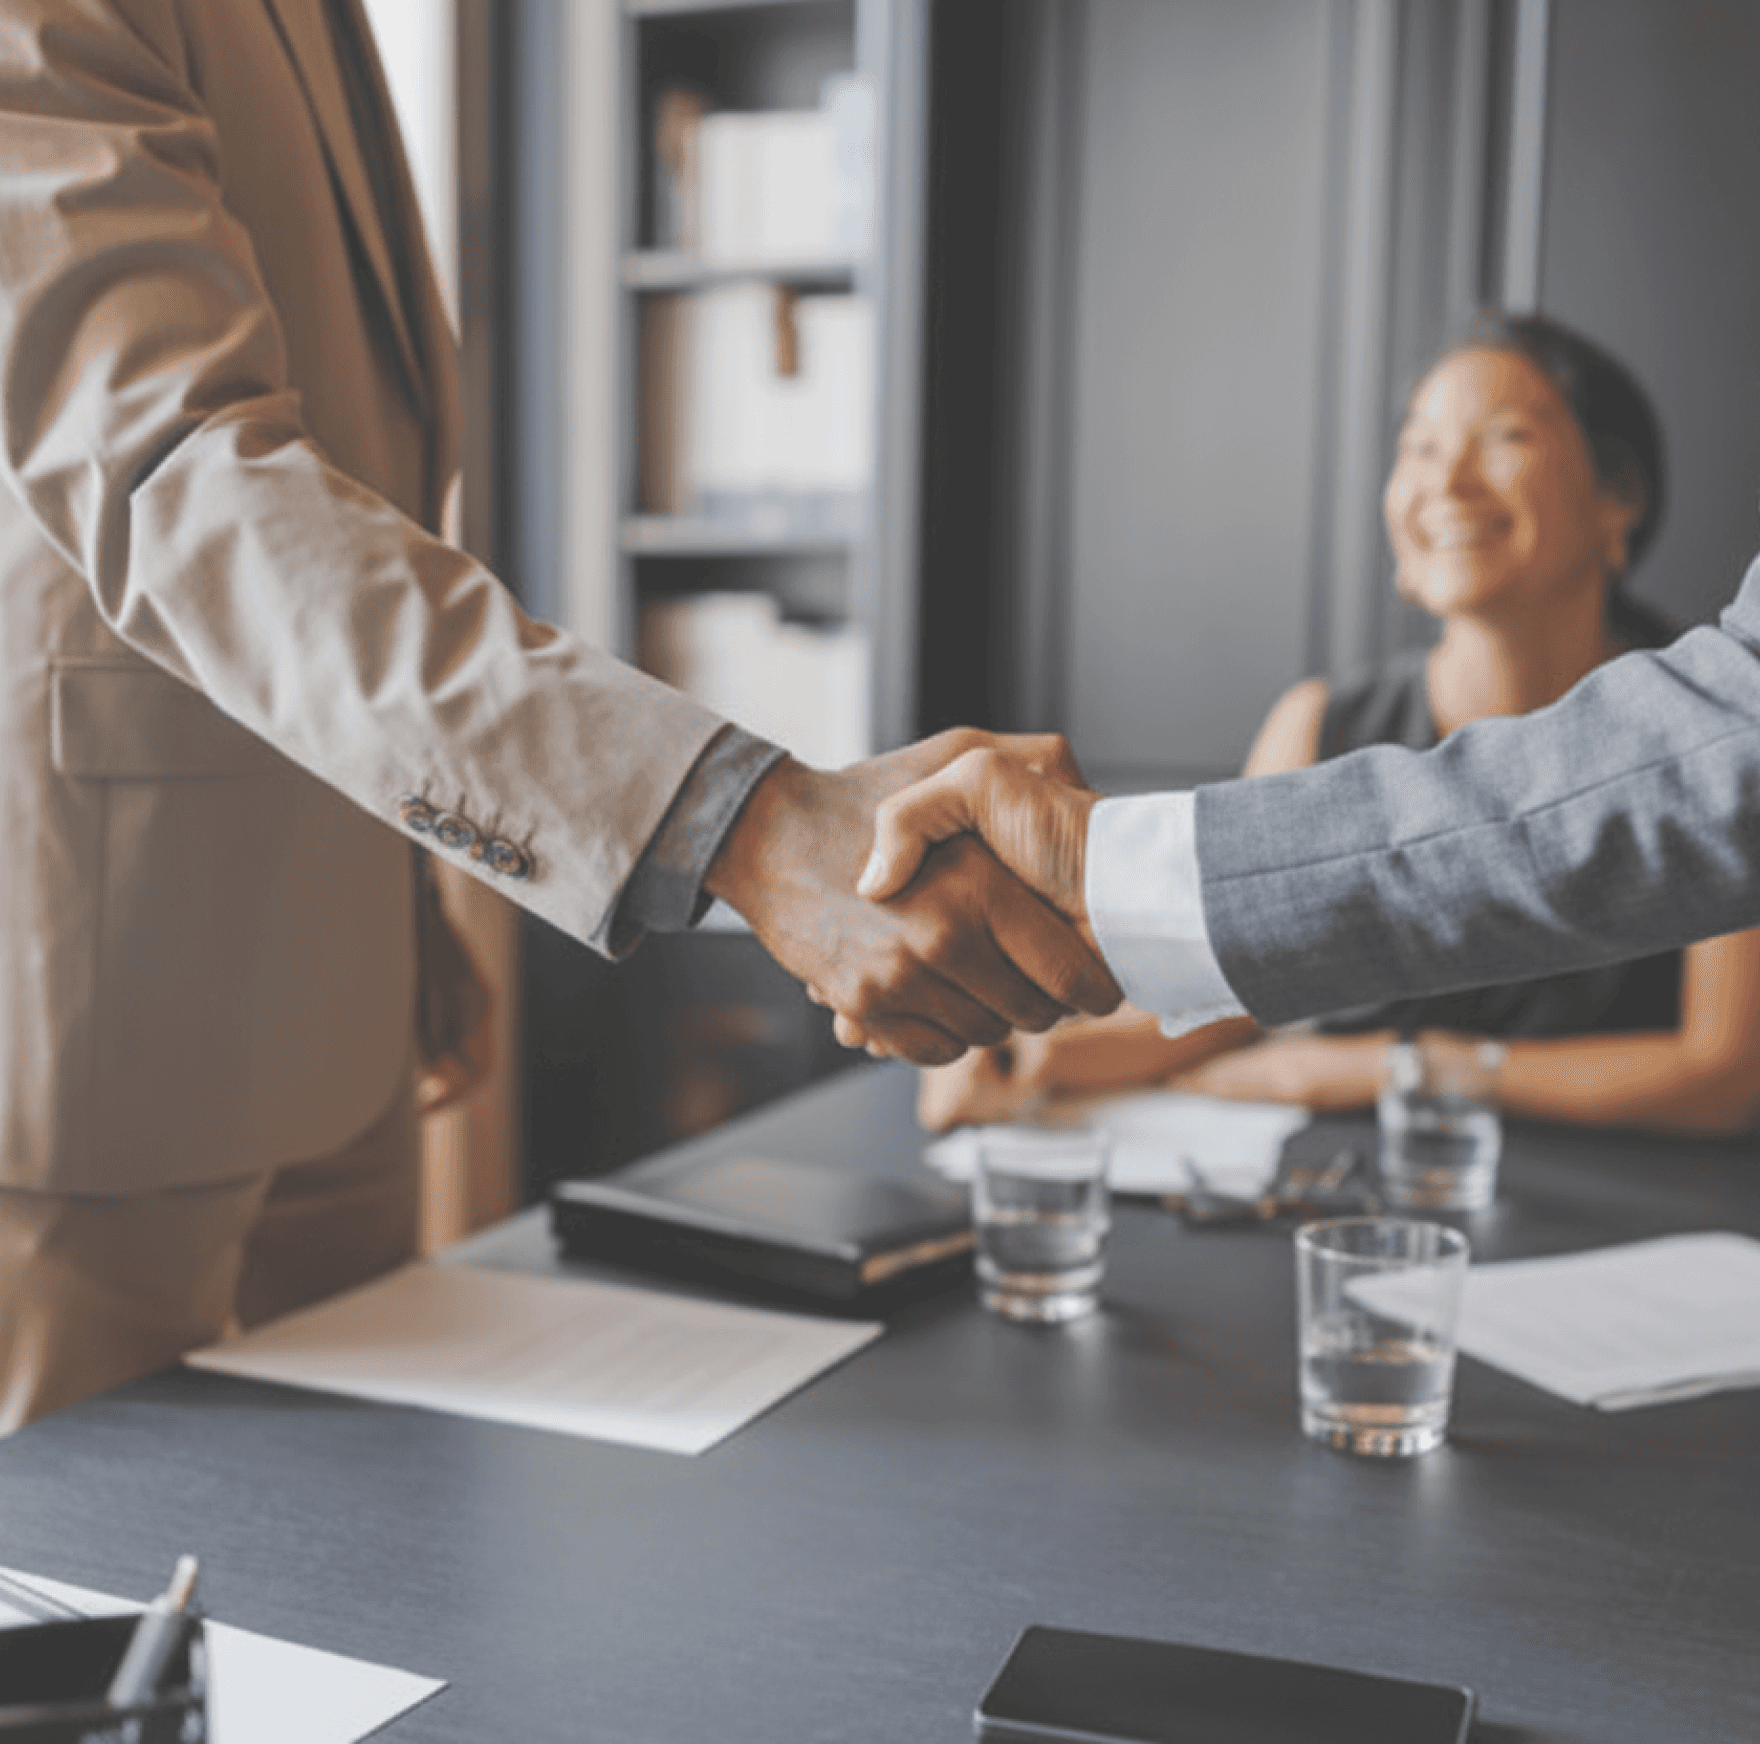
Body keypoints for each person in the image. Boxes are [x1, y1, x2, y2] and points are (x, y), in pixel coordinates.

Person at [0, 0, 1120, 1431]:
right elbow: (179, 480)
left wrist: (401, 915)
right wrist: (744, 822)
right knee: (77, 1612)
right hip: (97, 1004)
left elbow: (352, 471)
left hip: (331, 993)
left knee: (369, 1576)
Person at [915, 317, 1760, 1139]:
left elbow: (1724, 1070)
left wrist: (1388, 1067)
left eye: (1504, 437)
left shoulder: (1703, 726)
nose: (1447, 482)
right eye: (1420, 448)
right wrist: (1028, 1058)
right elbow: (1225, 992)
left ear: (1621, 499)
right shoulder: (1323, 720)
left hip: (1634, 1207)